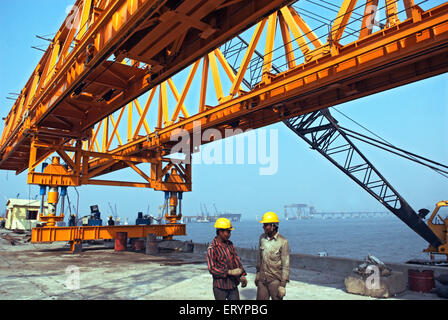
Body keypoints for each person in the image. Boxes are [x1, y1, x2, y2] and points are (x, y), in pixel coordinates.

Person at [206, 218, 247, 300]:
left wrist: (242, 275)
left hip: (233, 285)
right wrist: (229, 272)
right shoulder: (212, 248)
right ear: (220, 232)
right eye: (228, 232)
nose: (229, 234)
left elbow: (236, 260)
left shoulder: (230, 244)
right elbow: (212, 269)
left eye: (230, 232)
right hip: (220, 287)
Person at [255, 211, 290, 300]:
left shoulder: (283, 242)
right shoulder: (262, 238)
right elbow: (259, 258)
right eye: (263, 225)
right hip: (262, 281)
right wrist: (258, 273)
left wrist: (282, 285)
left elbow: (286, 265)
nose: (263, 227)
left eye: (266, 225)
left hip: (275, 281)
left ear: (273, 226)